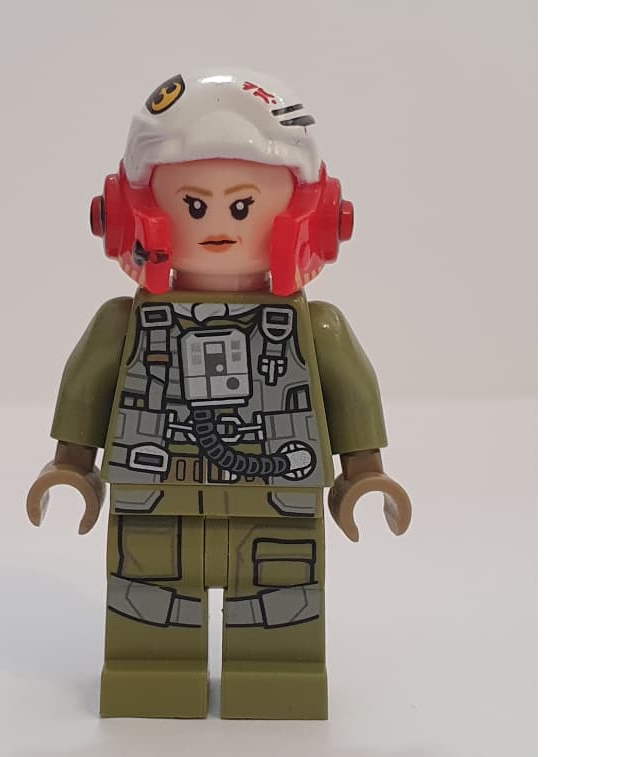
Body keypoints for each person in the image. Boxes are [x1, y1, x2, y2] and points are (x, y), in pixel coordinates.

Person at [27, 68, 411, 719]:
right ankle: (151, 673)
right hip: (155, 496)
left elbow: (348, 391)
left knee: (279, 604)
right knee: (150, 599)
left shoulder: (314, 327)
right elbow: (89, 386)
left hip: (276, 499)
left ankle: (278, 676)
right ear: (132, 215)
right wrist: (71, 466)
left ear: (309, 218)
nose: (218, 225)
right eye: (194, 205)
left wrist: (364, 475)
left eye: (242, 206)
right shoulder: (125, 323)